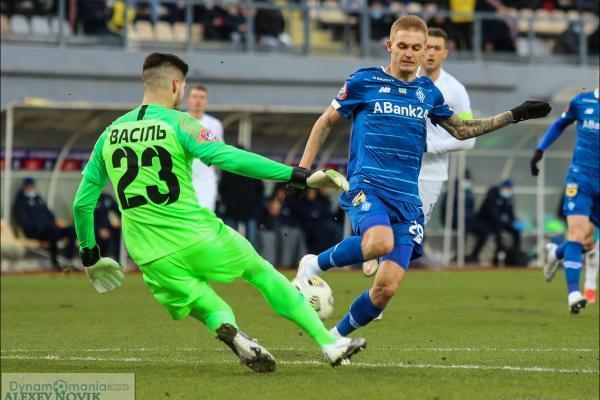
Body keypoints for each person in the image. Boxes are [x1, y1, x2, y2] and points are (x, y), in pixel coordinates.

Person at [72, 52, 366, 373]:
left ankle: (234, 333)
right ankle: (328, 343)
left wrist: (90, 257)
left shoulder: (109, 134)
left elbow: (82, 204)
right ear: (176, 85)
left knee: (206, 304)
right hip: (196, 233)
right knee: (261, 272)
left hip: (148, 252)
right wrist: (296, 175)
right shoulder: (181, 123)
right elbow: (228, 157)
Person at [288, 15, 550, 339]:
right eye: (402, 46)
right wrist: (302, 171)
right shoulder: (363, 81)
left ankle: (335, 339)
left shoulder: (427, 92)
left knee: (385, 289)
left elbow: (461, 130)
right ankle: (314, 264)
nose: (409, 53)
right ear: (390, 46)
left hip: (408, 199)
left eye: (416, 47)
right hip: (368, 186)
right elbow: (326, 121)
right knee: (379, 242)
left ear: (425, 50)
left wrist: (514, 115)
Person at [362, 27, 475, 276]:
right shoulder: (401, 78)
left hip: (430, 174)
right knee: (382, 224)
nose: (431, 53)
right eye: (428, 47)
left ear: (445, 53)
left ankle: (382, 272)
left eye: (437, 48)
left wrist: (429, 147)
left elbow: (469, 140)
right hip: (394, 168)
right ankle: (372, 251)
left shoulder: (454, 89)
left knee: (408, 236)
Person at [530, 86, 599, 313]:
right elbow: (560, 123)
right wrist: (540, 149)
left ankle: (555, 254)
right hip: (581, 178)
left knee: (587, 242)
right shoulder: (582, 101)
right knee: (577, 234)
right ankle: (574, 294)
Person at [12, 177, 76, 270]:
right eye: (28, 186)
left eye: (32, 186)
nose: (31, 188)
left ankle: (69, 260)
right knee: (53, 232)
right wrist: (40, 227)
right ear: (24, 187)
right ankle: (55, 263)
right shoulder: (20, 202)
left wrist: (54, 222)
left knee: (72, 231)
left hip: (49, 229)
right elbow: (22, 220)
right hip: (34, 232)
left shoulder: (39, 199)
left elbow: (49, 213)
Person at [466, 179, 523, 265]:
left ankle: (516, 254)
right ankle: (474, 256)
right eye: (506, 188)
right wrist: (501, 224)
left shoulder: (509, 199)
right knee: (486, 233)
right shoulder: (492, 195)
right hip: (486, 222)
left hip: (499, 223)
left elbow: (510, 214)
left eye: (509, 189)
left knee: (516, 231)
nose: (508, 191)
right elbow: (492, 214)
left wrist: (514, 220)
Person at [187, 85, 224, 211]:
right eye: (194, 97)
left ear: (206, 101)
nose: (198, 101)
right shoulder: (179, 120)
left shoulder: (215, 124)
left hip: (206, 181)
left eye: (202, 97)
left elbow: (220, 152)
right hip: (183, 178)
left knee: (205, 215)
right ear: (188, 99)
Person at [94, 192, 121, 260]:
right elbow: (84, 218)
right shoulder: (89, 198)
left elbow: (118, 210)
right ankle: (99, 259)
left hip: (106, 226)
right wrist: (99, 229)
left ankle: (118, 258)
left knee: (119, 233)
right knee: (103, 239)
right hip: (92, 227)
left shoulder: (106, 197)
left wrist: (120, 221)